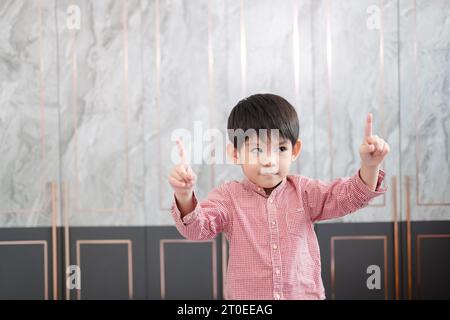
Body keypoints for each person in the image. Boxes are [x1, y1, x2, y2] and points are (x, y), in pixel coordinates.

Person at [168, 93, 389, 300]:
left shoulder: (304, 191)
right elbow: (197, 228)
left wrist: (370, 166)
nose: (269, 161)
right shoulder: (228, 197)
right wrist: (184, 195)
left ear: (295, 150)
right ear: (235, 154)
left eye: (281, 149)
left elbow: (347, 197)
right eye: (257, 150)